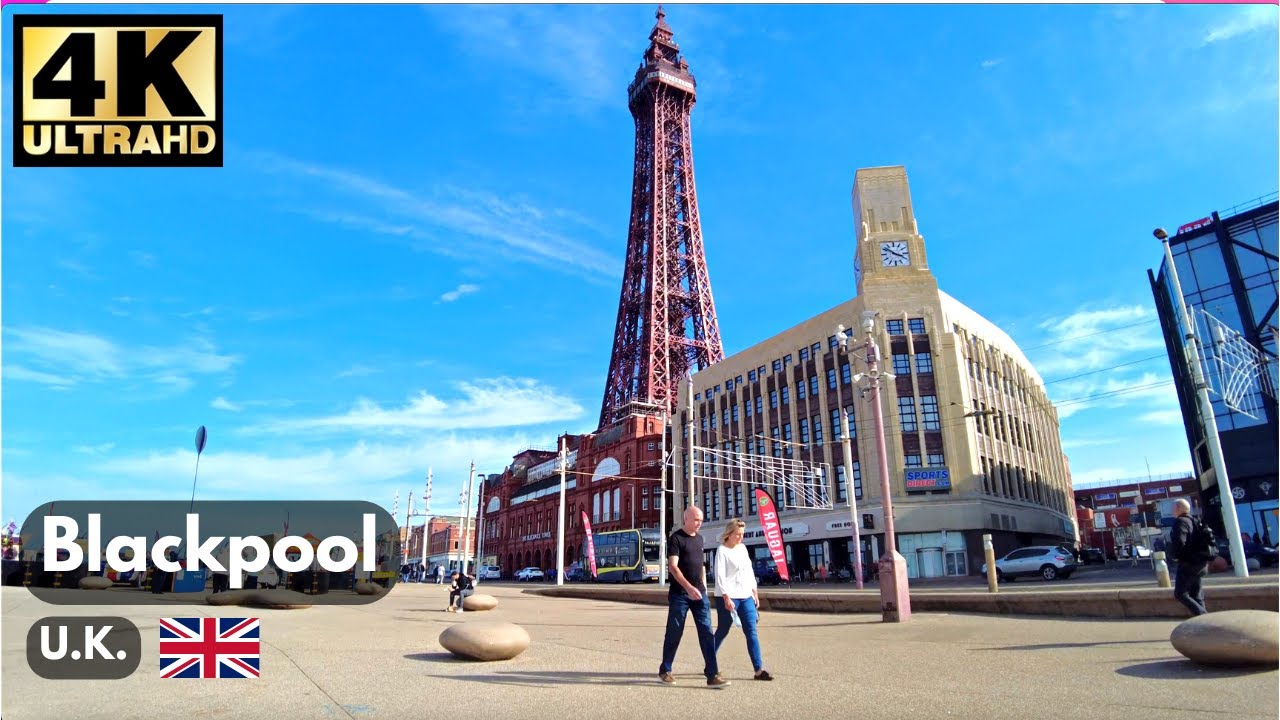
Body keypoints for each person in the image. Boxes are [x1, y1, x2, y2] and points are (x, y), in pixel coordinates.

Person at [658, 506, 729, 688]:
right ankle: (665, 669)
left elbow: (700, 566)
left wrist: (702, 587)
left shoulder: (700, 539)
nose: (700, 523)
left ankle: (712, 674)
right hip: (680, 594)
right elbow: (673, 567)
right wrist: (688, 588)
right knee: (675, 631)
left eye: (701, 520)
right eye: (696, 520)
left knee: (706, 632)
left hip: (699, 594)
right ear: (686, 519)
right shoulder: (676, 538)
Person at [712, 518, 773, 681]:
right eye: (738, 534)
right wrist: (726, 596)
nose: (741, 537)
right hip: (728, 597)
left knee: (751, 631)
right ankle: (710, 663)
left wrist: (754, 591)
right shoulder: (722, 550)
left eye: (742, 534)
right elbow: (719, 575)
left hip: (745, 595)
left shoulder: (743, 548)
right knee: (722, 631)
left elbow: (748, 571)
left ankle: (759, 670)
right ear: (729, 534)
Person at [1168, 499, 1211, 616]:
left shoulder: (1180, 522)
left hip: (1189, 564)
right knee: (1196, 595)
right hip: (1201, 562)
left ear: (1178, 508)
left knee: (1180, 593)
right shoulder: (1195, 520)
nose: (1172, 510)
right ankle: (1204, 623)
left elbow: (1180, 543)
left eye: (1173, 507)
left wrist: (1176, 557)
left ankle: (1204, 616)